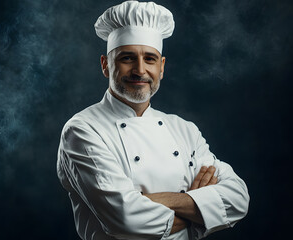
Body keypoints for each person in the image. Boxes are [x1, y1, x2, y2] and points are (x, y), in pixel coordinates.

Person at [57, 1, 249, 239]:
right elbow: (126, 220)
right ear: (106, 65)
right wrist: (203, 208)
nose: (140, 70)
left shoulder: (184, 129)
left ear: (162, 67)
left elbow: (238, 199)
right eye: (127, 58)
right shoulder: (82, 130)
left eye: (150, 59)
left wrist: (152, 201)